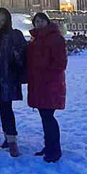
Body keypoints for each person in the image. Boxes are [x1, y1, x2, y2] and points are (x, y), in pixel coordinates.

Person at [0, 7, 27, 157]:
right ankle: (7, 138)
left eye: (3, 20)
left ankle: (12, 141)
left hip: (7, 78)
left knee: (6, 108)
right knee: (3, 108)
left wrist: (16, 57)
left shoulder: (14, 35)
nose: (0, 22)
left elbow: (23, 53)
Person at [27, 12, 68, 163]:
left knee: (49, 117)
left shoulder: (56, 38)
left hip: (50, 83)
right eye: (36, 21)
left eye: (41, 20)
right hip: (39, 83)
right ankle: (49, 146)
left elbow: (61, 63)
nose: (39, 23)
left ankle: (55, 150)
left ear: (47, 21)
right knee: (45, 117)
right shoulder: (35, 39)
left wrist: (44, 71)